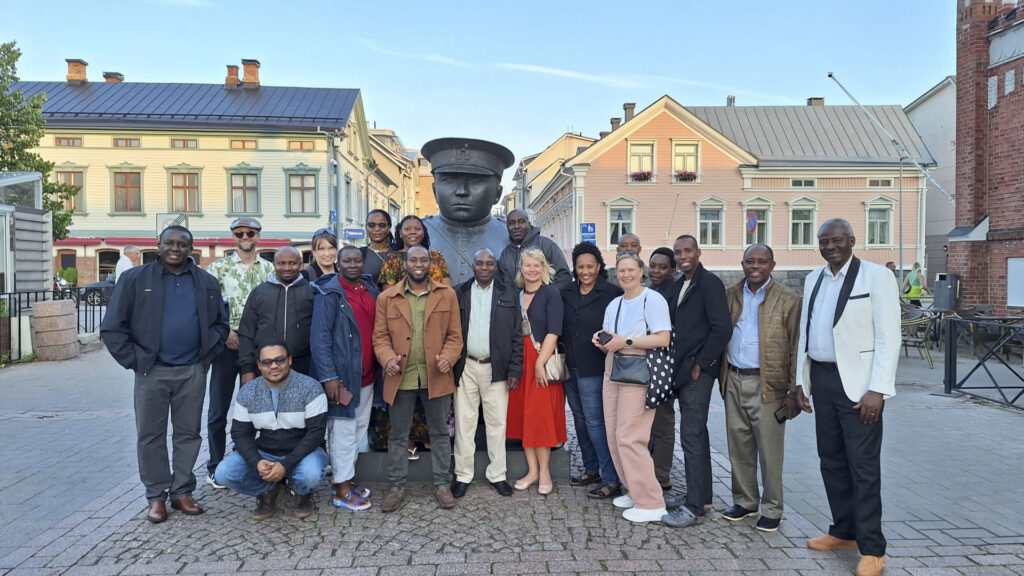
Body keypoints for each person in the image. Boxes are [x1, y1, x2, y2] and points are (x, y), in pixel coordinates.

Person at [100, 225, 229, 523]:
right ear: (158, 245)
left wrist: (205, 358)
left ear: (190, 248)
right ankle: (156, 496)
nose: (175, 248)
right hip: (151, 371)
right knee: (150, 436)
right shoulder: (134, 279)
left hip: (192, 371)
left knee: (188, 434)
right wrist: (135, 361)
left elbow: (221, 324)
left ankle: (182, 491)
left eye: (182, 244)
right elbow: (111, 327)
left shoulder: (206, 281)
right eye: (169, 242)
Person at [793, 218, 900, 576]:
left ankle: (873, 549)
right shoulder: (813, 279)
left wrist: (878, 389)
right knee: (831, 460)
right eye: (824, 241)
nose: (830, 246)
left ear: (852, 240)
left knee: (863, 467)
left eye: (837, 240)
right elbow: (805, 334)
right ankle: (844, 532)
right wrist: (800, 383)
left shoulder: (876, 277)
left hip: (859, 387)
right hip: (821, 380)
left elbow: (889, 336)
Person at [372, 246, 463, 512]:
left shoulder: (447, 296)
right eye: (414, 260)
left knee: (440, 433)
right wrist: (387, 358)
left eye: (424, 260)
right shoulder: (387, 298)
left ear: (430, 264)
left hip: (437, 375)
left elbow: (455, 336)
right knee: (398, 435)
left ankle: (442, 485)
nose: (419, 264)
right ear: (405, 264)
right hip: (400, 377)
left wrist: (449, 356)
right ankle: (396, 487)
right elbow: (379, 338)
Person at [719, 244, 801, 532]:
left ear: (772, 265)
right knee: (738, 446)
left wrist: (793, 391)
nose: (755, 266)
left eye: (761, 261)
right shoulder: (731, 295)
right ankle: (745, 501)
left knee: (769, 451)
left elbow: (795, 347)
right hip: (734, 379)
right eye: (750, 261)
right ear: (742, 264)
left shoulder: (788, 299)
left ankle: (772, 507)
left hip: (769, 385)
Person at [593, 251, 672, 523]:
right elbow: (611, 338)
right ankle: (634, 489)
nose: (626, 274)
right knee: (615, 433)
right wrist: (602, 341)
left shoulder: (653, 299)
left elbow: (663, 338)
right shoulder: (614, 304)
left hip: (640, 366)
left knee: (631, 436)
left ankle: (651, 502)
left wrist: (625, 342)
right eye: (621, 270)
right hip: (613, 366)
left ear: (641, 271)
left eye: (631, 269)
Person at [213, 340, 328, 520]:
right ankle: (270, 490)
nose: (274, 366)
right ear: (259, 365)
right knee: (223, 473)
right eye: (267, 362)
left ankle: (302, 492)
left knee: (310, 474)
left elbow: (316, 433)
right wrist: (257, 462)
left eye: (279, 360)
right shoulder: (248, 392)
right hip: (265, 452)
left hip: (305, 453)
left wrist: (285, 464)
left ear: (289, 360)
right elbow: (240, 433)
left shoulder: (311, 387)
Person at [661, 234, 731, 528]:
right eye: (678, 252)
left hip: (697, 371)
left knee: (692, 435)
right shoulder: (678, 284)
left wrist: (701, 365)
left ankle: (695, 508)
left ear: (698, 252)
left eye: (688, 250)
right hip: (680, 369)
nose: (682, 256)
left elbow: (721, 329)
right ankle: (700, 496)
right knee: (694, 435)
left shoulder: (709, 283)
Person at [204, 217, 275, 489]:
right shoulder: (218, 268)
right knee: (218, 408)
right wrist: (225, 332)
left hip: (259, 347)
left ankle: (252, 459)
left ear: (258, 235)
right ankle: (214, 464)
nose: (245, 237)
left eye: (250, 232)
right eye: (240, 233)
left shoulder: (269, 268)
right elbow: (210, 306)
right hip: (228, 345)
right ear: (233, 236)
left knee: (259, 407)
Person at [311, 245, 381, 511]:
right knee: (341, 430)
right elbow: (320, 339)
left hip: (366, 374)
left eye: (357, 260)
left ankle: (347, 478)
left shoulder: (369, 288)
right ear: (338, 264)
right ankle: (340, 489)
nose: (352, 264)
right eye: (347, 261)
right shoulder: (328, 293)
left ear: (363, 263)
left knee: (359, 428)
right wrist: (329, 376)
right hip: (342, 377)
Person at [450, 248, 522, 498]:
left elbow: (516, 336)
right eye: (479, 262)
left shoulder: (509, 293)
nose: (484, 267)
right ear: (472, 265)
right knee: (464, 423)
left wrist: (515, 368)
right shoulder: (459, 292)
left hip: (497, 368)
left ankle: (498, 474)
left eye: (489, 263)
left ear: (495, 266)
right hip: (465, 366)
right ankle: (462, 475)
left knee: (496, 423)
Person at [560, 242, 622, 499]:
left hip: (594, 367)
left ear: (599, 266)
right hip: (569, 366)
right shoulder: (566, 292)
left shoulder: (612, 293)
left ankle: (611, 478)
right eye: (580, 266)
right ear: (575, 268)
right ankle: (591, 468)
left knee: (597, 423)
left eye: (590, 266)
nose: (585, 271)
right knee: (580, 421)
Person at [506, 248, 567, 496]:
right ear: (521, 269)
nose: (532, 270)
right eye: (527, 265)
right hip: (520, 361)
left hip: (541, 360)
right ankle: (532, 471)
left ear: (544, 268)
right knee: (525, 419)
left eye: (536, 265)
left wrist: (540, 364)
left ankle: (545, 472)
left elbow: (554, 331)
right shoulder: (516, 295)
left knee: (541, 420)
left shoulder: (551, 294)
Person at [420, 137, 517, 286]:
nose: (462, 191)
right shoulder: (415, 233)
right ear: (435, 191)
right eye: (450, 180)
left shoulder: (513, 237)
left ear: (497, 194)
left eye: (476, 181)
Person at [237, 247, 315, 384]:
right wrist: (247, 369)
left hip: (303, 368)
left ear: (300, 264)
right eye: (281, 263)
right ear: (274, 264)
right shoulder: (259, 292)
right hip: (265, 367)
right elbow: (246, 332)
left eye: (292, 263)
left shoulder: (311, 292)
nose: (287, 267)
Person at [646, 247, 677, 491]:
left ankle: (661, 474)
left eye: (662, 267)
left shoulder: (673, 293)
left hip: (665, 364)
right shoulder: (651, 291)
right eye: (653, 265)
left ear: (673, 270)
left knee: (663, 423)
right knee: (648, 423)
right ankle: (649, 470)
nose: (656, 270)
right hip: (648, 364)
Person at [497, 209, 571, 288]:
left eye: (521, 222)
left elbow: (564, 276)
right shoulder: (505, 254)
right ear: (507, 226)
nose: (516, 226)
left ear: (529, 224)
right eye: (512, 223)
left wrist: (546, 296)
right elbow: (507, 285)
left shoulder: (547, 245)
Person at [379, 215, 450, 287]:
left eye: (417, 229)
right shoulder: (392, 259)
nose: (412, 232)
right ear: (400, 233)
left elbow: (448, 289)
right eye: (407, 229)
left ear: (423, 232)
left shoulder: (436, 256)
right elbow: (388, 294)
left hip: (438, 298)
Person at [361, 209, 393, 285]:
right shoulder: (358, 254)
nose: (377, 229)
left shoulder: (398, 253)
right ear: (366, 227)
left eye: (382, 225)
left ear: (389, 228)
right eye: (371, 225)